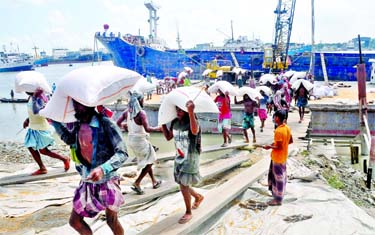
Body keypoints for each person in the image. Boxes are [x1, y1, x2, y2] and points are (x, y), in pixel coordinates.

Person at [52, 99, 128, 235]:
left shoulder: (106, 124)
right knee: (74, 222)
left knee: (111, 220)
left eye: (79, 103)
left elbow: (122, 153)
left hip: (107, 179)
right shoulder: (77, 124)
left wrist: (102, 169)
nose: (76, 107)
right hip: (87, 179)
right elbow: (69, 139)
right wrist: (54, 122)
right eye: (74, 104)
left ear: (90, 103)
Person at [161, 100, 204, 224]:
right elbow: (168, 137)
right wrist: (163, 123)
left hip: (190, 157)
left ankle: (188, 212)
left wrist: (191, 112)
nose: (178, 112)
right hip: (179, 156)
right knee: (181, 183)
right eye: (177, 110)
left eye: (181, 110)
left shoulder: (192, 122)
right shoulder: (175, 122)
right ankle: (198, 197)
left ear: (186, 111)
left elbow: (195, 131)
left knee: (183, 186)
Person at [116, 91, 162, 195]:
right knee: (151, 161)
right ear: (139, 100)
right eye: (142, 99)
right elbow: (148, 129)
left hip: (131, 141)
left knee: (148, 160)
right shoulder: (141, 113)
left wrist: (126, 126)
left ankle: (154, 181)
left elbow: (118, 123)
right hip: (140, 141)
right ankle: (137, 182)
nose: (143, 101)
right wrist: (159, 129)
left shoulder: (126, 112)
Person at [23, 88, 70, 176]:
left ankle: (64, 159)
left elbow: (38, 112)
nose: (25, 90)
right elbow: (31, 113)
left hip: (41, 127)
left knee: (43, 150)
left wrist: (34, 100)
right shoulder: (30, 98)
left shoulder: (40, 98)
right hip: (33, 126)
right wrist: (27, 120)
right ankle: (42, 168)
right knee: (31, 147)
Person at [262, 110, 293, 206]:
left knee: (278, 178)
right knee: (281, 177)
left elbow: (279, 147)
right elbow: (290, 141)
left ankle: (278, 200)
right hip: (283, 156)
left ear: (278, 118)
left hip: (278, 158)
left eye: (275, 117)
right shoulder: (287, 128)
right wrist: (276, 144)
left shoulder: (278, 131)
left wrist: (269, 147)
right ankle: (279, 193)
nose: (274, 118)